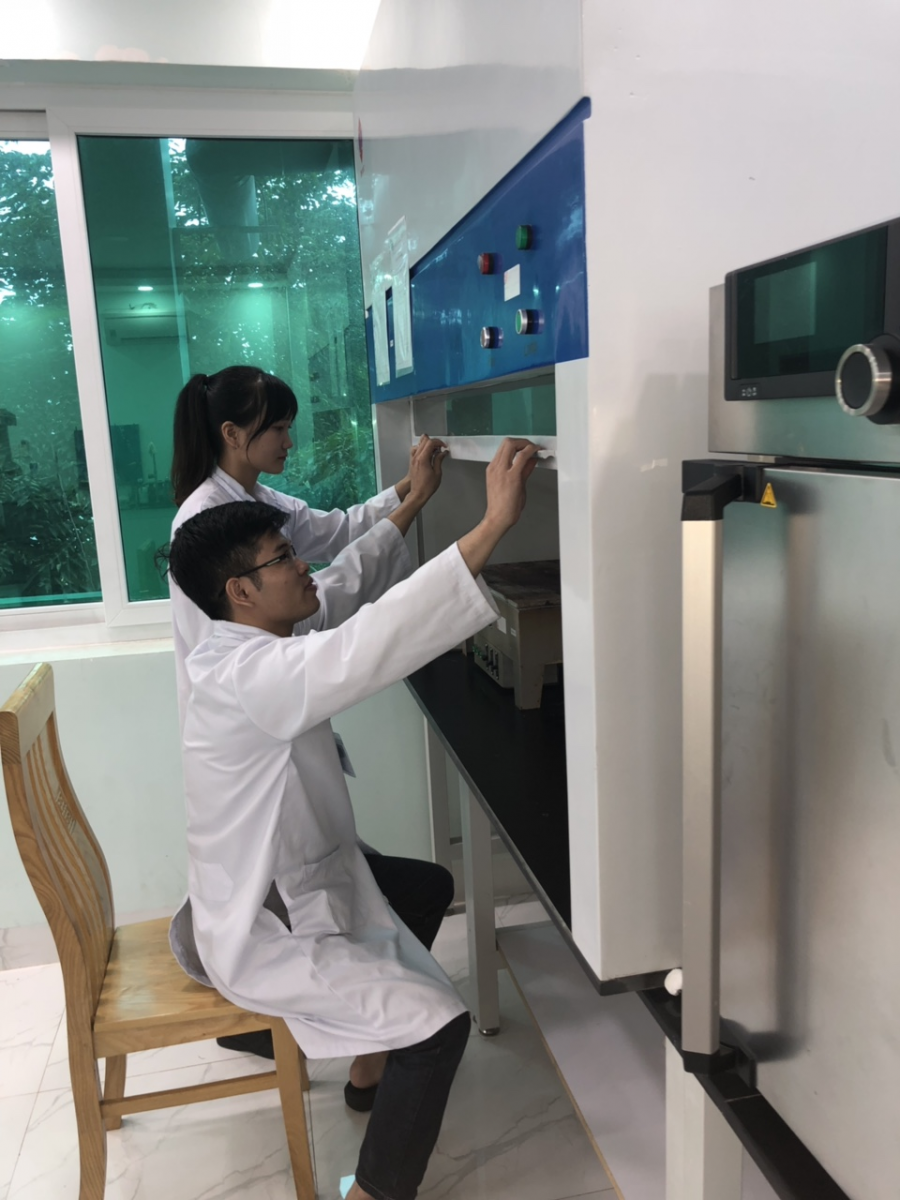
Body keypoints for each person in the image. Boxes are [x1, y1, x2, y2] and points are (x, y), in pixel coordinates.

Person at [165, 438, 539, 1200]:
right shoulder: (248, 675)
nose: (302, 564)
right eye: (283, 558)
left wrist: (413, 503)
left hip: (293, 875)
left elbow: (345, 592)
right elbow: (366, 645)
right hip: (266, 919)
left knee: (427, 889)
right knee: (440, 1026)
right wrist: (493, 525)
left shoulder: (257, 639)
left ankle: (371, 1063)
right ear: (240, 591)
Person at [169, 365, 452, 1085]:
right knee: (309, 899)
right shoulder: (206, 523)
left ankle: (360, 1044)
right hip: (256, 740)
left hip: (275, 723)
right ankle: (301, 1028)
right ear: (233, 434)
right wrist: (428, 512)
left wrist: (407, 492)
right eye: (278, 428)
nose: (290, 441)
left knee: (368, 889)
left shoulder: (255, 504)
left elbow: (335, 531)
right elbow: (324, 612)